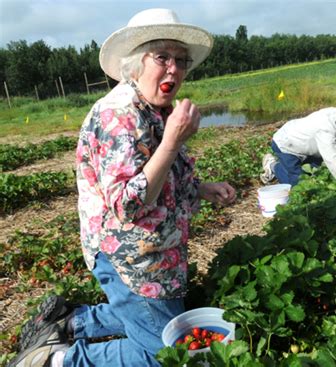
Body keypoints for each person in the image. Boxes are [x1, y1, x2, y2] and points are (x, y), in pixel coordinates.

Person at [11, 8, 236, 367]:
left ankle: (70, 322)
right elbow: (127, 205)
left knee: (162, 318)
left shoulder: (157, 109)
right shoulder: (118, 116)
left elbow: (163, 180)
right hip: (129, 257)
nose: (174, 69)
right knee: (163, 356)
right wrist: (172, 142)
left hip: (158, 253)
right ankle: (56, 361)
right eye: (162, 57)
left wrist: (203, 189)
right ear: (135, 63)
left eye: (181, 60)